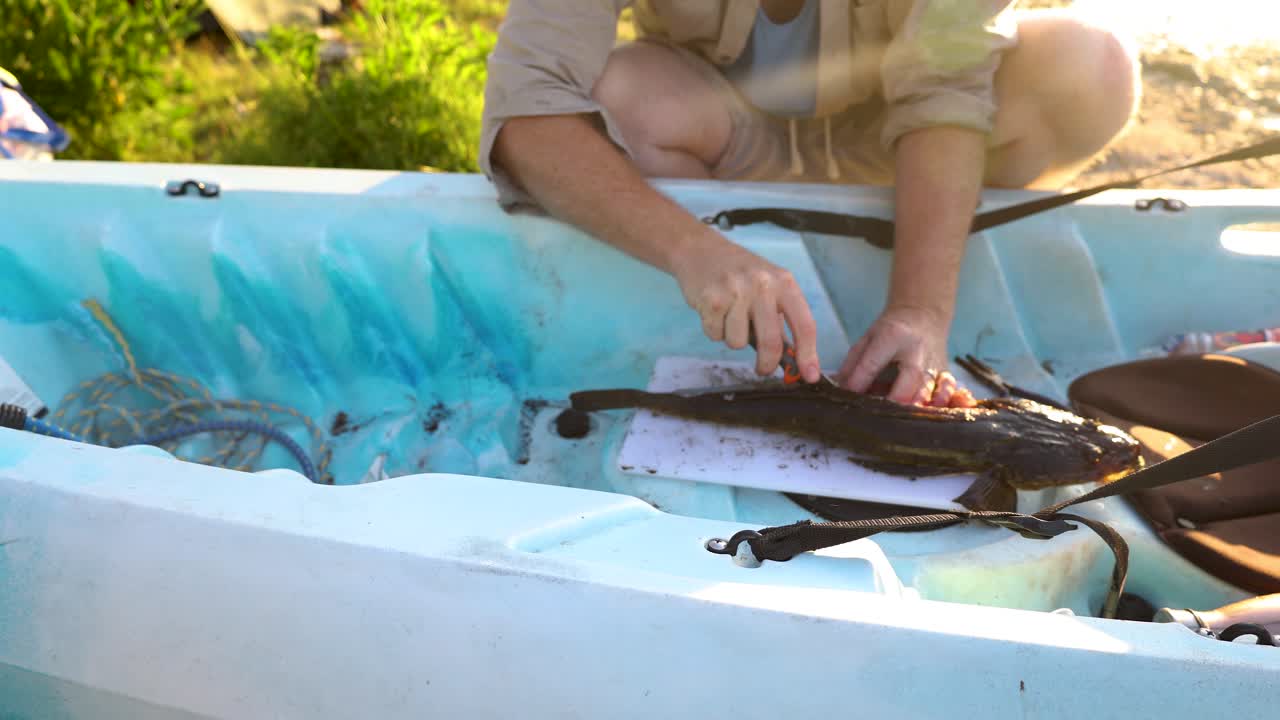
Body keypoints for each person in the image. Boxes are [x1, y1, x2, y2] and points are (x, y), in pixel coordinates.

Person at [478, 0, 1140, 408]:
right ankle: (733, 285)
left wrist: (922, 308)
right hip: (725, 130)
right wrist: (696, 252)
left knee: (1093, 66)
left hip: (887, 144)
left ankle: (930, 238)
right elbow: (525, 111)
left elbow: (948, 93)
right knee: (623, 98)